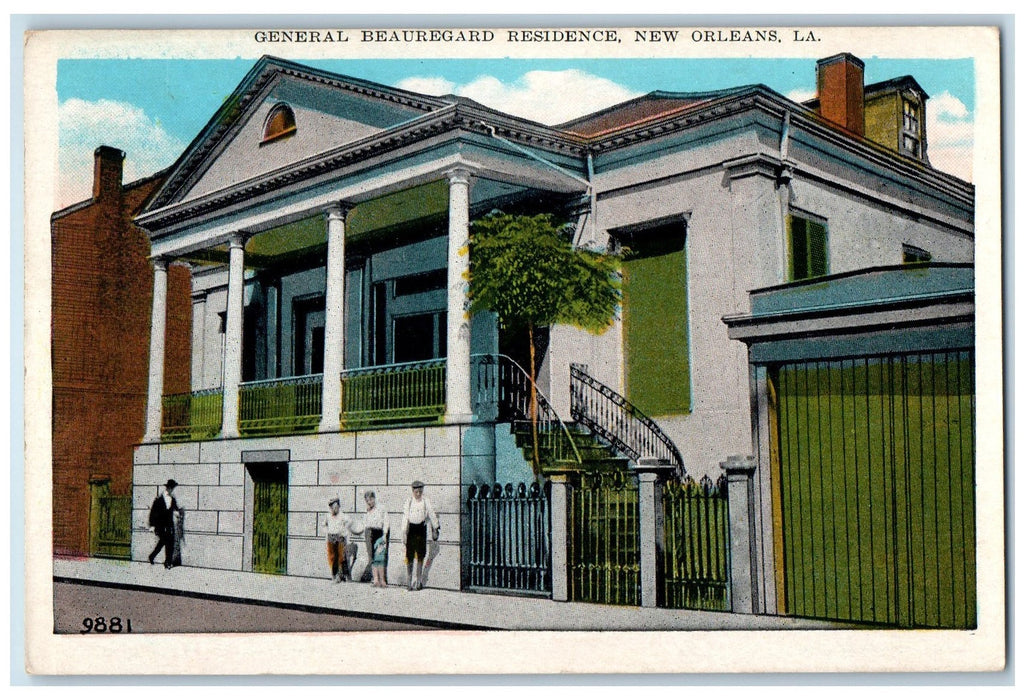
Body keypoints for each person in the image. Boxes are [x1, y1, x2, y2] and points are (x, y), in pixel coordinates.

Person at [401, 480, 439, 591]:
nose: (418, 494)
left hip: (421, 529)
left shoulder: (425, 501)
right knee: (409, 556)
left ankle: (418, 581)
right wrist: (404, 532)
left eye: (420, 492)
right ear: (413, 491)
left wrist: (435, 527)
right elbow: (405, 517)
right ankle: (409, 580)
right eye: (416, 492)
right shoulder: (409, 501)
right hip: (411, 529)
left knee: (421, 555)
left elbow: (431, 513)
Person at [148, 479, 183, 569]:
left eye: (173, 488)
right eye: (171, 488)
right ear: (168, 488)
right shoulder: (159, 500)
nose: (172, 490)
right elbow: (153, 512)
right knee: (163, 542)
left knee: (169, 543)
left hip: (169, 525)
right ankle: (153, 557)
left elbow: (175, 508)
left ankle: (167, 562)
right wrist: (152, 525)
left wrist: (178, 513)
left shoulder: (172, 499)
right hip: (161, 525)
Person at [323, 497, 360, 582]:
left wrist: (344, 530)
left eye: (335, 507)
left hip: (340, 537)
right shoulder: (328, 515)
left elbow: (350, 521)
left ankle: (347, 576)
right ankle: (334, 576)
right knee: (333, 558)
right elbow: (324, 525)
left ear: (339, 506)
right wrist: (327, 531)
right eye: (332, 507)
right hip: (331, 537)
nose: (333, 509)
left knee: (342, 557)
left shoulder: (343, 515)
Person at [361, 490, 389, 585]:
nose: (369, 502)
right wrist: (368, 511)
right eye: (367, 500)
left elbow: (386, 521)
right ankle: (375, 579)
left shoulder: (381, 508)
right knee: (371, 556)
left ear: (374, 498)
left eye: (371, 499)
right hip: (369, 532)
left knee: (380, 556)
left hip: (379, 532)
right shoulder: (367, 510)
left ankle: (382, 579)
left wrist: (385, 534)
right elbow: (365, 523)